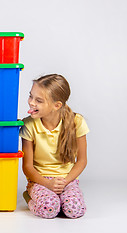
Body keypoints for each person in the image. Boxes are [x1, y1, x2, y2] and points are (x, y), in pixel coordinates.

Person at [20, 74, 89, 219]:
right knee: (49, 209)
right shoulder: (29, 125)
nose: (31, 103)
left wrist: (64, 182)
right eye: (31, 96)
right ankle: (28, 196)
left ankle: (62, 200)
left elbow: (82, 161)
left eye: (39, 100)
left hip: (67, 180)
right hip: (40, 180)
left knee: (74, 210)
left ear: (56, 105)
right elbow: (27, 167)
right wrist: (48, 184)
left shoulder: (77, 122)